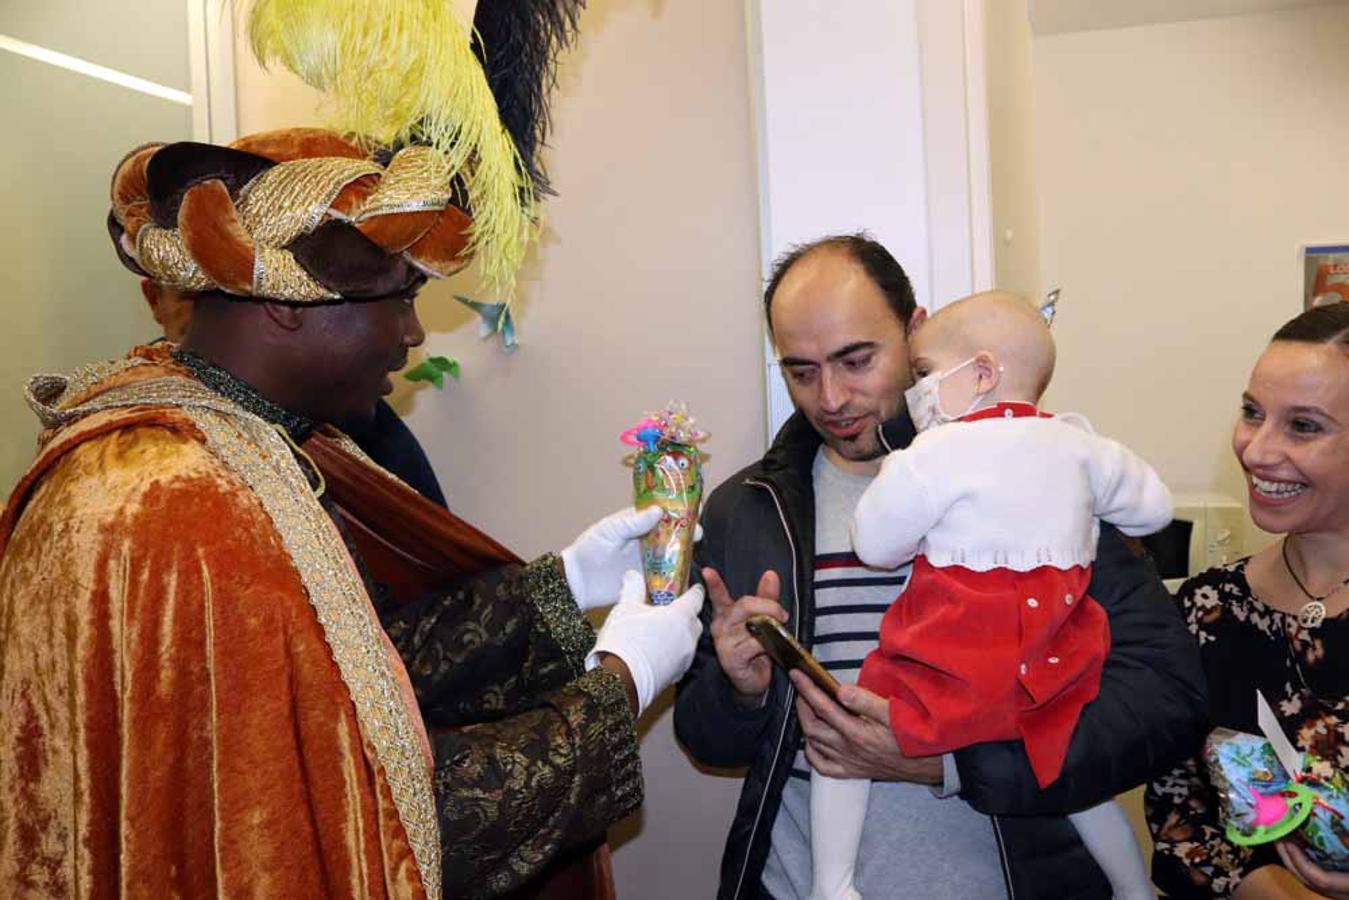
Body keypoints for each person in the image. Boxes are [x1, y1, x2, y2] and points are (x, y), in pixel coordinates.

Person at [0, 3, 705, 897]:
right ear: (291, 303)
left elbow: (355, 684)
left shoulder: (247, 450)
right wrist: (619, 682)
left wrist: (560, 590)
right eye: (399, 298)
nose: (413, 332)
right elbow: (371, 825)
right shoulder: (172, 500)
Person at [673, 233, 1208, 900]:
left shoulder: (1043, 479)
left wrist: (951, 764)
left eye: (855, 359)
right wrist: (740, 691)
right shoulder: (745, 509)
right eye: (801, 371)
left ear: (915, 332)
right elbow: (706, 739)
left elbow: (1165, 703)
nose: (831, 397)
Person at [808, 292, 1172, 900]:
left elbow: (875, 545)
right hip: (1053, 671)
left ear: (980, 373)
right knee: (1076, 784)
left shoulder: (934, 454)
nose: (916, 392)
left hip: (955, 664)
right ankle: (1134, 890)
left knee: (843, 737)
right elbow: (1153, 509)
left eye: (924, 375)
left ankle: (832, 885)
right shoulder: (1080, 444)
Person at [1145, 301, 1349, 900]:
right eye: (1252, 413)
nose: (1257, 451)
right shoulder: (1208, 608)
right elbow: (1179, 814)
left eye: (1303, 426)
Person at [140, 276, 449, 507]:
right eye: (189, 293)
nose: (217, 310)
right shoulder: (141, 457)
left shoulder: (353, 416)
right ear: (154, 300)